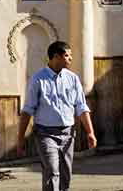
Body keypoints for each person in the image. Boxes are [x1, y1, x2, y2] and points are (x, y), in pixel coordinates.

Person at [17, 40, 97, 191]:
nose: (70, 59)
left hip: (68, 134)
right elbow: (28, 110)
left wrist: (90, 132)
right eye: (67, 55)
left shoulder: (72, 79)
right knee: (52, 171)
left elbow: (81, 107)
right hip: (45, 134)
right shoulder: (38, 79)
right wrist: (20, 138)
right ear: (55, 57)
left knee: (65, 174)